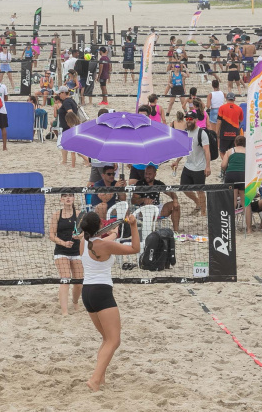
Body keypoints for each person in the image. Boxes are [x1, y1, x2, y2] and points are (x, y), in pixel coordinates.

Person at [76, 210, 140, 392]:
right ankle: (95, 380)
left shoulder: (83, 243)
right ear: (98, 226)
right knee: (114, 340)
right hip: (102, 292)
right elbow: (135, 249)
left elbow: (102, 243)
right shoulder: (104, 246)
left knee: (106, 338)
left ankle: (100, 378)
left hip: (87, 293)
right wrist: (133, 225)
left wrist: (113, 232)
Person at [172, 111, 211, 215]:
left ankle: (203, 212)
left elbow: (207, 151)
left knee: (200, 191)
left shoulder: (202, 133)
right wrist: (177, 161)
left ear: (196, 120)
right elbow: (184, 149)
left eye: (190, 119)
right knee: (183, 188)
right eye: (187, 119)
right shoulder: (186, 132)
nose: (188, 121)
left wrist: (208, 166)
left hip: (199, 167)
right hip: (188, 165)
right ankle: (198, 203)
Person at [49, 193, 82, 315]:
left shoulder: (79, 214)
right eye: (65, 196)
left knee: (79, 282)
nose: (68, 198)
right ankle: (64, 312)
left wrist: (79, 236)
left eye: (70, 196)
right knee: (65, 278)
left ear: (73, 198)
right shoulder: (56, 215)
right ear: (61, 199)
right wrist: (63, 243)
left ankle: (75, 302)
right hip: (61, 251)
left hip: (76, 250)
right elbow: (51, 235)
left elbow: (85, 232)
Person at [130, 164, 181, 231]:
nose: (147, 176)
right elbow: (133, 200)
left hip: (158, 208)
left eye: (149, 174)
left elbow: (171, 192)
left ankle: (176, 232)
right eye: (146, 173)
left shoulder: (159, 183)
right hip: (144, 209)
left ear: (155, 174)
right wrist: (143, 200)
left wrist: (175, 199)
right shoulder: (140, 184)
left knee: (176, 206)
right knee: (146, 209)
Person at [221, 135, 250, 231]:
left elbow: (223, 165)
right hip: (243, 175)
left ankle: (230, 226)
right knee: (245, 202)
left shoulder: (230, 151)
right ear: (245, 143)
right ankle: (249, 229)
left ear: (235, 142)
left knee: (232, 201)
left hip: (231, 175)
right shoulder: (248, 152)